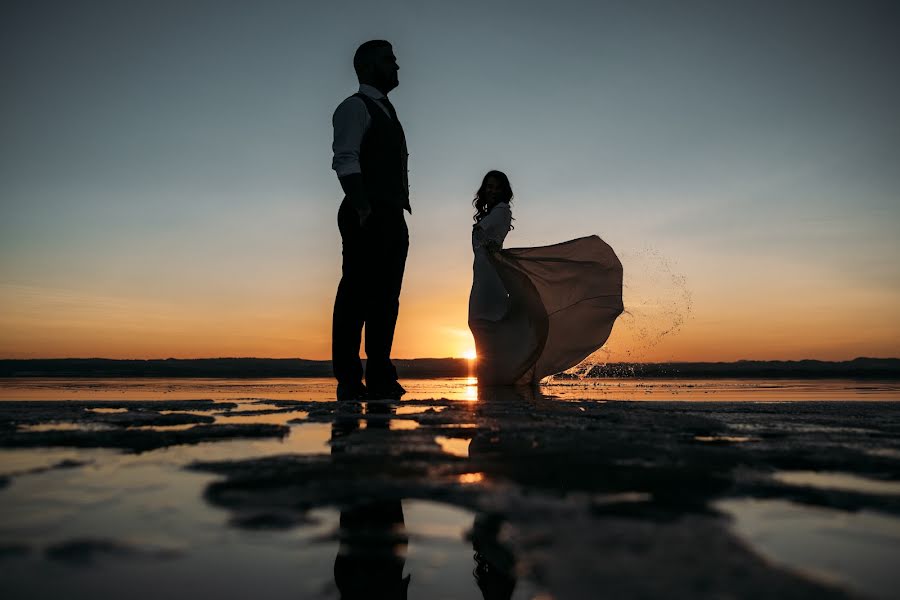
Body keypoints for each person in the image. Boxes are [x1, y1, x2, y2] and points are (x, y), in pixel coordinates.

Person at [467, 171, 624, 385]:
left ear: (504, 191)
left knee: (483, 324)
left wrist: (487, 239)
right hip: (483, 277)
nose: (492, 190)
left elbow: (484, 231)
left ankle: (494, 379)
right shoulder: (492, 213)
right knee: (482, 324)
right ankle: (497, 377)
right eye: (489, 186)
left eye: (496, 187)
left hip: (491, 278)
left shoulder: (502, 210)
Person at [331, 40, 411, 401]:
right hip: (366, 213)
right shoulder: (354, 107)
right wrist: (363, 207)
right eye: (389, 61)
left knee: (386, 298)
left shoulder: (387, 111)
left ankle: (379, 373)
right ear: (367, 66)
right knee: (356, 295)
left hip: (391, 214)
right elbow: (345, 159)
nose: (396, 66)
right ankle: (349, 378)